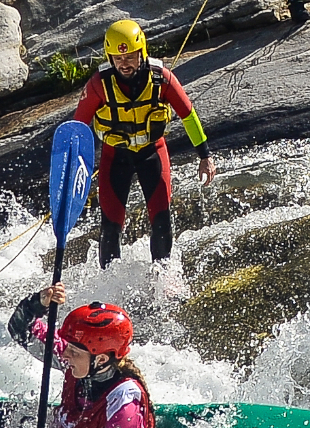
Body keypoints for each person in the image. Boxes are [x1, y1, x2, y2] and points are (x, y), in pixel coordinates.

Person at [73, 18, 216, 266]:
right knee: (110, 226)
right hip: (114, 158)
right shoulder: (98, 85)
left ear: (142, 53)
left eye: (130, 57)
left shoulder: (163, 79)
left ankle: (163, 278)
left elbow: (188, 115)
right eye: (118, 59)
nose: (124, 64)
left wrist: (205, 157)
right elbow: (76, 129)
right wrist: (72, 171)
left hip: (153, 154)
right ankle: (109, 288)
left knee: (161, 219)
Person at [7, 289, 155, 428]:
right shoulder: (81, 362)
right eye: (68, 349)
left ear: (102, 360)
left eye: (74, 352)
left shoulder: (126, 406)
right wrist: (39, 302)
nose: (65, 356)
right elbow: (20, 329)